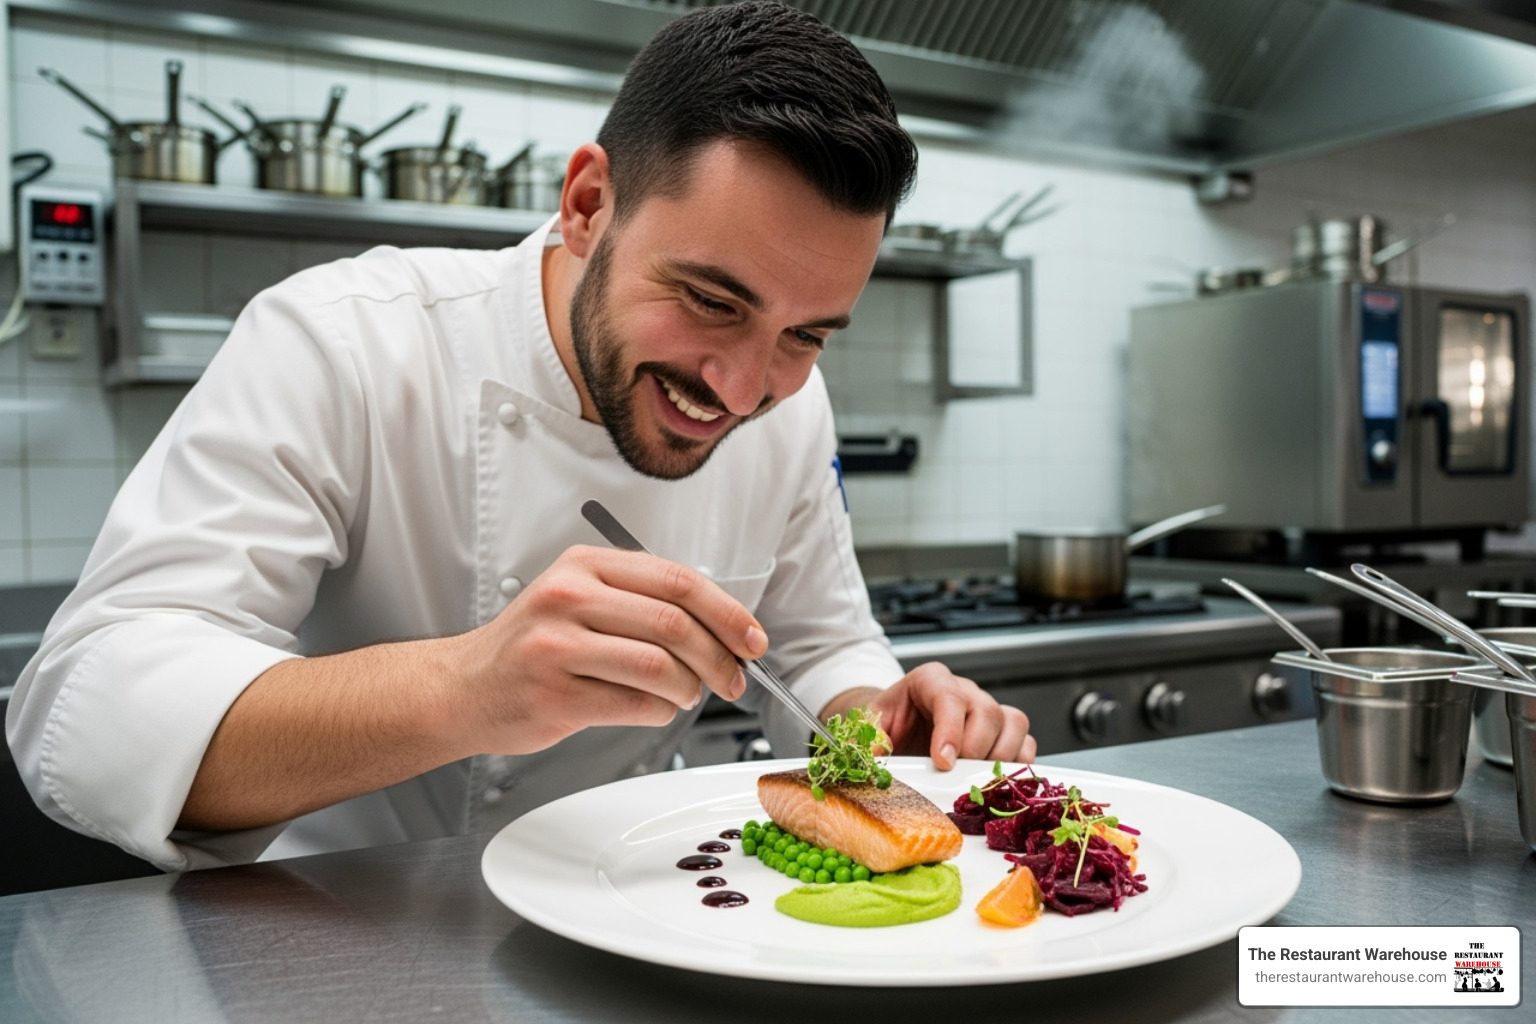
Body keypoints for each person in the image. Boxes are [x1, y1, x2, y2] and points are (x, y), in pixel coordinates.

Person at [6, 1, 1034, 871]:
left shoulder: (789, 406)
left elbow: (813, 642)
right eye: (712, 301)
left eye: (805, 334)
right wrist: (464, 689)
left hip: (619, 912)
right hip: (309, 935)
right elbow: (81, 715)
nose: (742, 387)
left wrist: (875, 716)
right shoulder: (343, 337)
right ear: (589, 204)